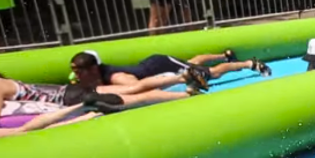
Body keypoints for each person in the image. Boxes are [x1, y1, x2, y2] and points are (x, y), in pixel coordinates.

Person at [0, 69, 201, 127]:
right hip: (69, 92)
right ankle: (181, 78)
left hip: (69, 99)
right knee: (134, 90)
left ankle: (184, 94)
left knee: (137, 97)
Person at [70, 50, 270, 89]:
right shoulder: (97, 74)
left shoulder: (117, 77)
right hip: (154, 63)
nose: (75, 75)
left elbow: (138, 87)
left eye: (79, 71)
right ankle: (224, 55)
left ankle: (249, 64)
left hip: (161, 65)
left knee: (212, 73)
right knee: (191, 62)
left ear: (93, 69)